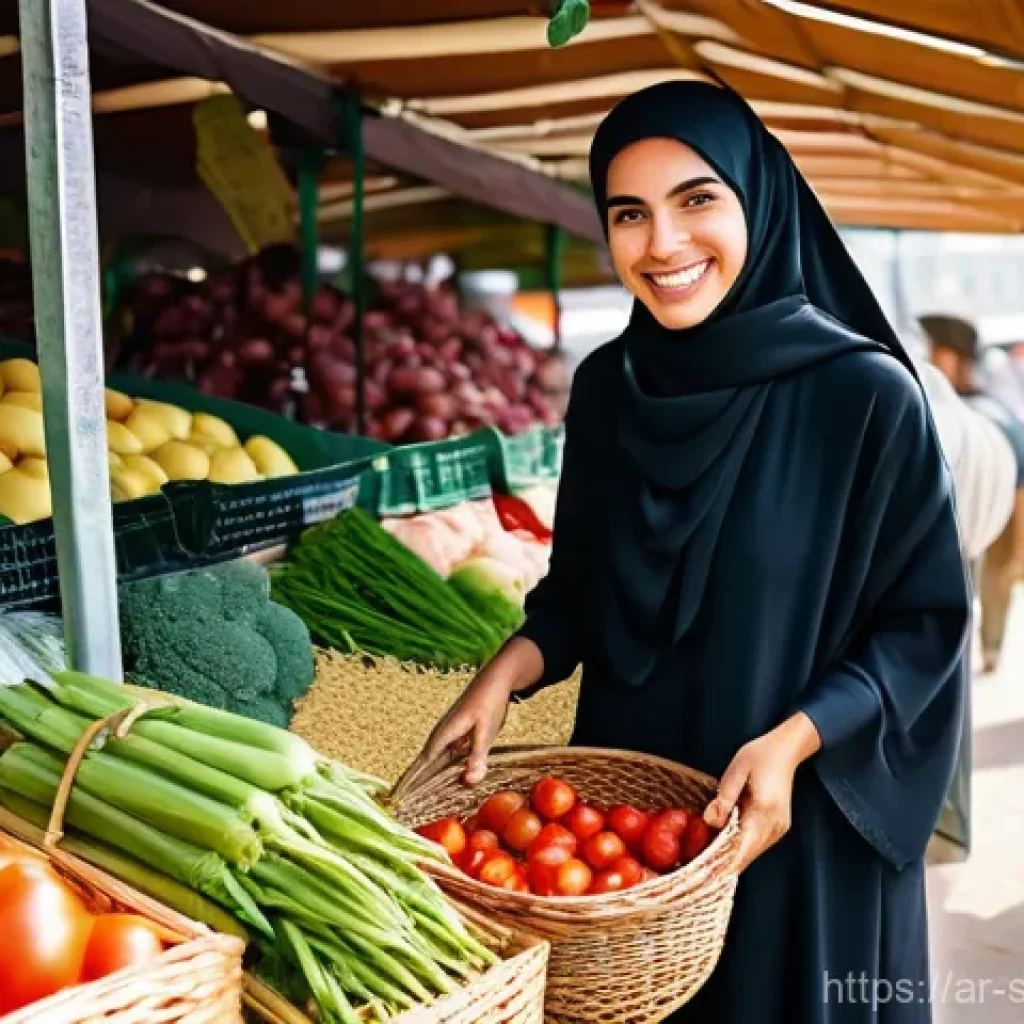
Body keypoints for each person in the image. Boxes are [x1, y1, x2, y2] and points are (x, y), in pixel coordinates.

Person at [413, 81, 970, 1023]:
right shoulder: (609, 387)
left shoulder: (863, 395)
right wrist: (504, 674)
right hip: (629, 839)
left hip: (797, 818)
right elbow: (581, 589)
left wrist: (795, 741)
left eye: (697, 199)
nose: (663, 244)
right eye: (629, 213)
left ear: (760, 200)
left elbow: (922, 623)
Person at [920, 313, 1024, 674]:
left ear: (950, 357)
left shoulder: (967, 411)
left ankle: (988, 648)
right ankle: (987, 647)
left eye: (934, 350)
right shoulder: (991, 408)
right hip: (998, 495)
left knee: (994, 574)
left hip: (1005, 495)